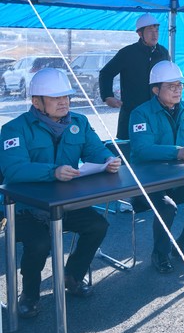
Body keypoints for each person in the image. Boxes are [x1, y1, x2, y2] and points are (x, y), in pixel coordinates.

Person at [0, 68, 121, 318]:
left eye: (66, 96)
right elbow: (13, 169)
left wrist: (108, 160)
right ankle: (29, 294)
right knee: (39, 243)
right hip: (25, 208)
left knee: (98, 225)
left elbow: (95, 149)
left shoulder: (79, 122)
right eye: (56, 98)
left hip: (64, 203)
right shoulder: (14, 129)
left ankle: (72, 276)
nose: (64, 102)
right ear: (37, 102)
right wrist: (53, 172)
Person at [129, 61, 184, 274]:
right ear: (156, 90)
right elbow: (142, 149)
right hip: (149, 182)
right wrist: (178, 151)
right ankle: (160, 253)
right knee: (167, 207)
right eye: (171, 86)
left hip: (179, 178)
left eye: (179, 85)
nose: (177, 90)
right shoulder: (140, 114)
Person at [100, 12, 170, 140]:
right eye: (150, 30)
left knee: (159, 144)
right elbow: (106, 73)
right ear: (140, 33)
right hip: (132, 111)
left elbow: (169, 78)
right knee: (131, 145)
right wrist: (107, 96)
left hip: (158, 111)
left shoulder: (163, 53)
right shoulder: (127, 53)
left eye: (156, 30)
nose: (155, 34)